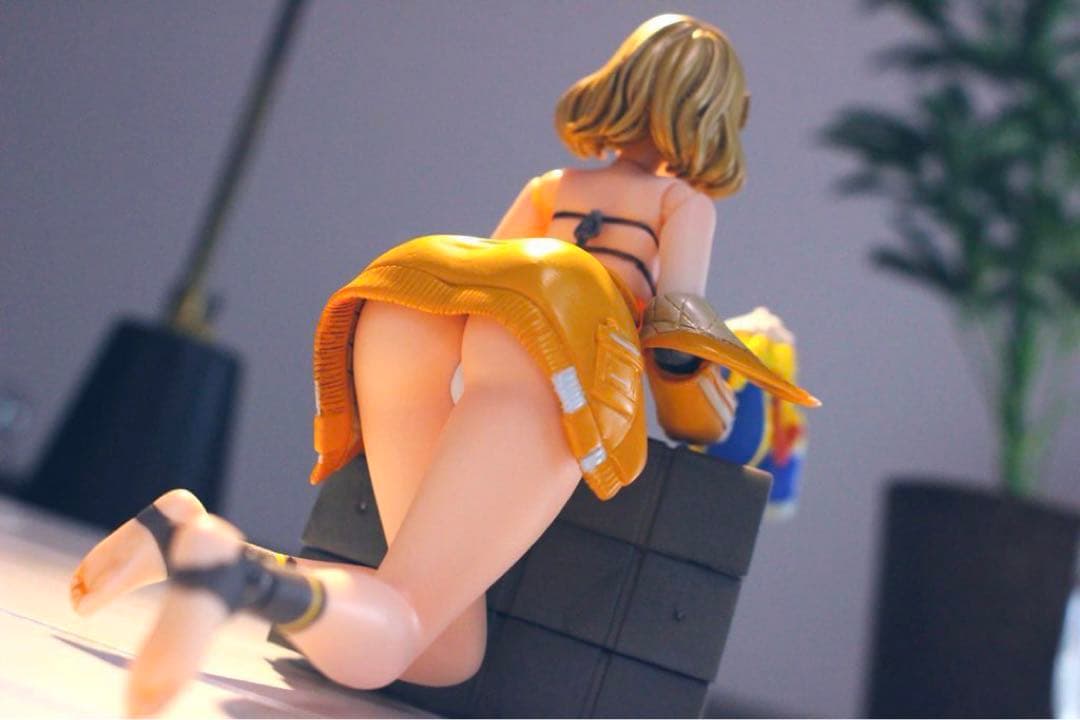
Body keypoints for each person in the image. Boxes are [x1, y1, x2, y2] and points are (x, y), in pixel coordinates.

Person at [68, 14, 817, 715]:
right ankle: (233, 577)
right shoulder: (683, 205)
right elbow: (674, 343)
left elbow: (490, 284)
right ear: (713, 113)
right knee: (402, 628)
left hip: (410, 304)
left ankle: (185, 539)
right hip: (551, 351)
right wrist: (719, 387)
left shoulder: (552, 189)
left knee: (443, 650)